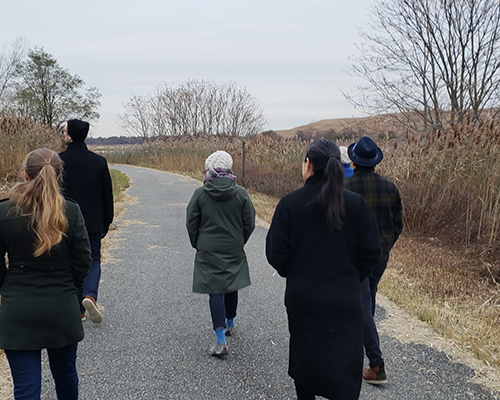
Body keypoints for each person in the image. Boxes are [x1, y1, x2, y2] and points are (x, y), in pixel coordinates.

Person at [266, 139, 381, 400]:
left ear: (308, 164)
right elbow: (372, 252)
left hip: (303, 300)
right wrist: (352, 276)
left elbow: (276, 254)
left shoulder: (290, 205)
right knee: (345, 366)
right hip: (345, 300)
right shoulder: (355, 204)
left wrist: (296, 273)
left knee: (306, 366)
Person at [0, 148, 92, 399]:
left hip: (17, 308)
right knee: (65, 375)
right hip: (61, 305)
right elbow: (84, 259)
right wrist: (70, 285)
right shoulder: (70, 211)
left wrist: (8, 286)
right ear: (58, 175)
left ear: (25, 175)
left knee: (26, 387)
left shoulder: (5, 212)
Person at [345, 136, 403, 385]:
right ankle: (362, 349)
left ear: (354, 162)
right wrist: (386, 246)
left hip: (355, 258)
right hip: (380, 255)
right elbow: (398, 225)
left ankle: (376, 364)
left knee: (362, 305)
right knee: (368, 299)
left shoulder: (346, 188)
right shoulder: (390, 187)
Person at [186, 150, 255, 356]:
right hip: (233, 245)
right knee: (231, 282)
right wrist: (240, 239)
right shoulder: (241, 193)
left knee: (215, 289)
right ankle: (230, 321)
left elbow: (191, 223)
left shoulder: (200, 193)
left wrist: (197, 243)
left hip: (208, 247)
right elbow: (249, 223)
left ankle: (220, 341)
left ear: (211, 170)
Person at [60, 119, 114, 324]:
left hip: (64, 219)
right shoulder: (99, 162)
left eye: (64, 131)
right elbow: (106, 196)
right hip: (91, 221)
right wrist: (106, 222)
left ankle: (78, 309)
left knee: (69, 261)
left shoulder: (58, 161)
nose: (63, 134)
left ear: (70, 135)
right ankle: (90, 295)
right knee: (94, 259)